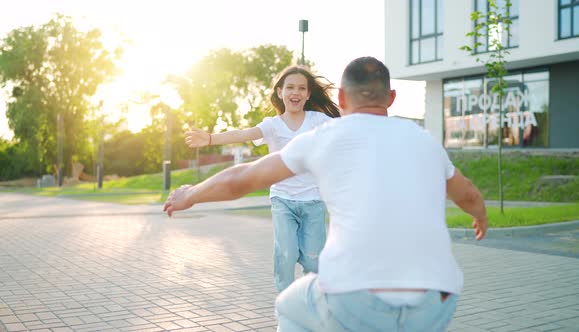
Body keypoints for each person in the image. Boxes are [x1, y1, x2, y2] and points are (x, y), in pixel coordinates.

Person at [164, 56, 488, 331]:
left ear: (342, 100)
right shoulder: (424, 140)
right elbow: (469, 195)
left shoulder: (326, 136)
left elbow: (241, 181)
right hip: (437, 299)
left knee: (289, 306)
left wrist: (191, 193)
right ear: (390, 98)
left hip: (356, 297)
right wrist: (480, 216)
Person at [184, 65, 340, 292]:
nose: (295, 92)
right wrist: (209, 138)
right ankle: (285, 311)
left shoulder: (318, 120)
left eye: (301, 88)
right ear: (280, 92)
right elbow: (243, 134)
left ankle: (311, 310)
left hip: (313, 201)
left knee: (313, 262)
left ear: (308, 94)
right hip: (283, 200)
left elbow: (349, 127)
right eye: (290, 87)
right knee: (285, 256)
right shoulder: (272, 125)